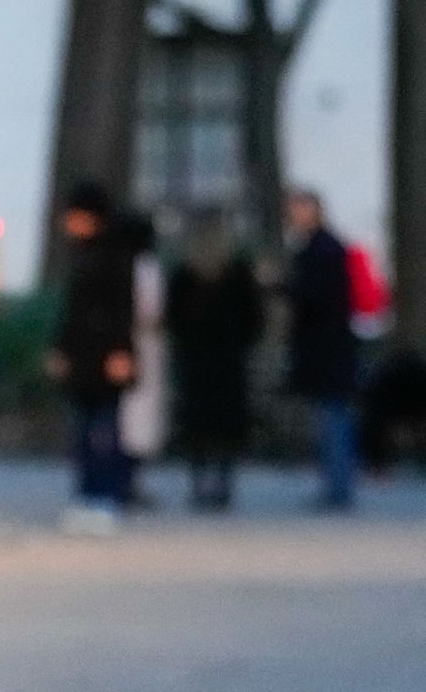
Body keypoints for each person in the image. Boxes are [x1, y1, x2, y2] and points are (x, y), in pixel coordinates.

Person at [45, 179, 135, 531]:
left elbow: (121, 308)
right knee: (83, 432)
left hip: (105, 353)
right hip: (82, 356)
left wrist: (122, 350)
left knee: (105, 431)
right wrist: (61, 349)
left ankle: (105, 497)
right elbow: (71, 311)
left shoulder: (114, 254)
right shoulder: (80, 254)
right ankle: (86, 496)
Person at [165, 210, 262, 510]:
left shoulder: (186, 274)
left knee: (200, 424)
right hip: (226, 357)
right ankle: (221, 483)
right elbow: (253, 319)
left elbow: (173, 318)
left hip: (199, 358)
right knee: (224, 424)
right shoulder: (236, 273)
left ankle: (201, 483)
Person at [281, 187, 358, 509]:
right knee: (333, 416)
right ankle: (336, 485)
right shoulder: (324, 247)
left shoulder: (321, 249)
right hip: (330, 346)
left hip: (327, 348)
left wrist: (286, 287)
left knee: (333, 417)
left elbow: (317, 297)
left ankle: (338, 487)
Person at [115, 211, 168, 505]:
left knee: (130, 416)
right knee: (137, 418)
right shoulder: (147, 268)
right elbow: (153, 311)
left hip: (136, 344)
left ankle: (125, 481)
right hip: (143, 344)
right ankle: (129, 481)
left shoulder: (124, 265)